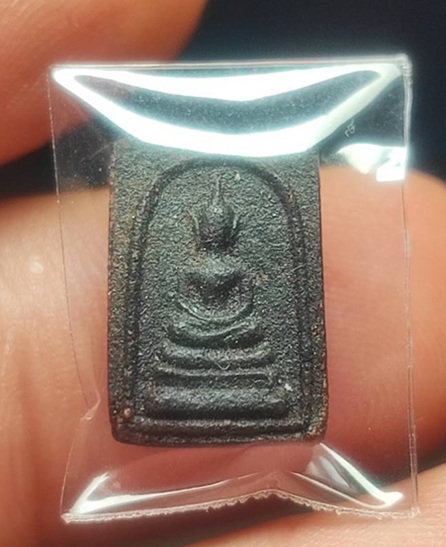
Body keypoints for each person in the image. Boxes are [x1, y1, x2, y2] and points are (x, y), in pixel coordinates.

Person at [0, 1, 445, 545]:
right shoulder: (196, 262)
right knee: (186, 341)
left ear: (225, 232)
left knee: (242, 341)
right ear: (205, 232)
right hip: (194, 345)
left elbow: (244, 310)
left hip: (237, 344)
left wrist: (224, 325)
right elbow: (187, 309)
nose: (212, 238)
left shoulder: (232, 262)